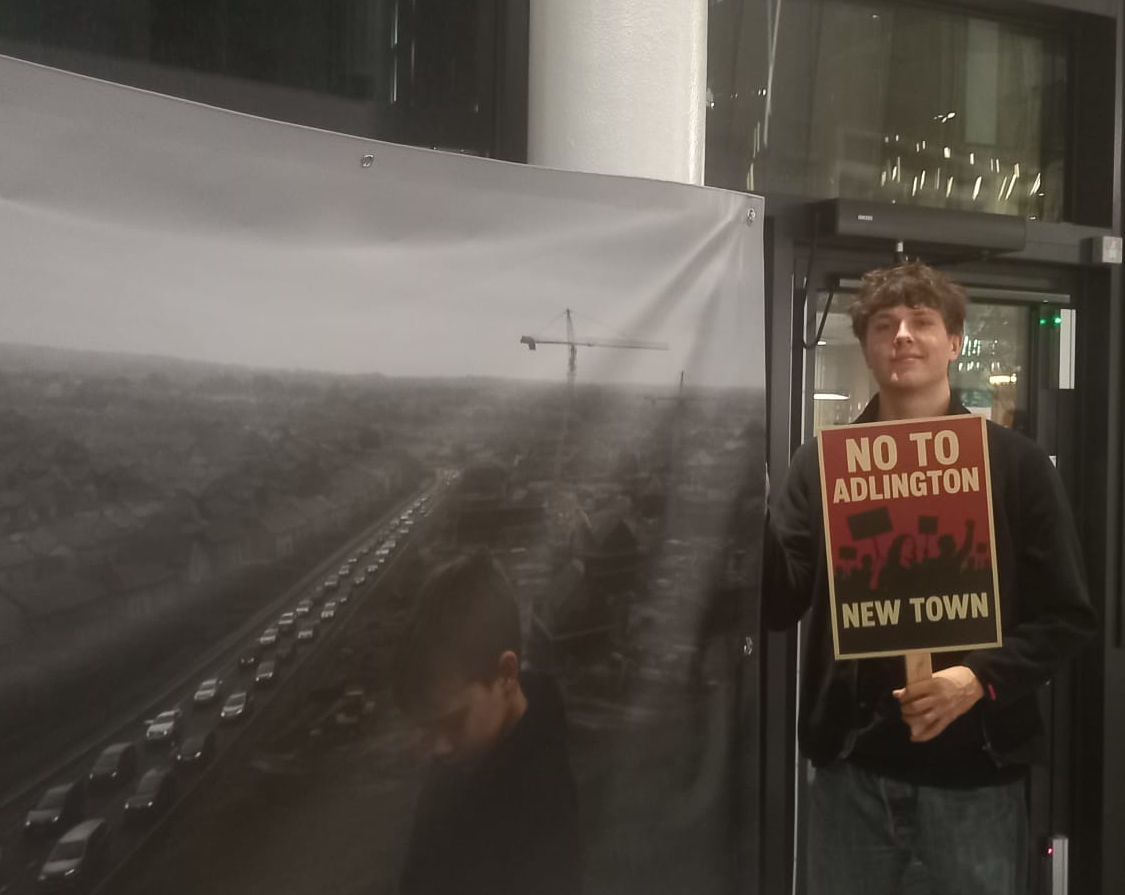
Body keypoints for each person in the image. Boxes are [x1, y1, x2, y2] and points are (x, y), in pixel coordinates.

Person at [763, 261, 1097, 895]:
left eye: (922, 322)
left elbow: (1068, 616)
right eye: (885, 325)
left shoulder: (1016, 466)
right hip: (851, 773)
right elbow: (782, 602)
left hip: (977, 777)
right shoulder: (823, 468)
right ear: (866, 347)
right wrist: (746, 521)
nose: (903, 337)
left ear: (955, 342)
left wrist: (976, 679)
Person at [393, 551, 581, 895]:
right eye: (428, 728)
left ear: (507, 674)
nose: (438, 748)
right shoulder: (460, 761)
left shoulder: (545, 808)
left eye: (453, 721)